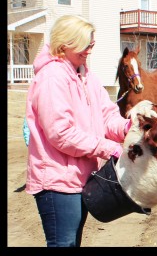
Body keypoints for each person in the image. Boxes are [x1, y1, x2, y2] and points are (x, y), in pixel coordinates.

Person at [25, 15, 131, 247]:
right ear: (65, 44)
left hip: (80, 179)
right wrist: (109, 148)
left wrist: (128, 128)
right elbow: (61, 133)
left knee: (72, 243)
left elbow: (107, 115)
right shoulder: (52, 78)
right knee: (63, 244)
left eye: (92, 45)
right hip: (56, 180)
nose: (89, 51)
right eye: (86, 45)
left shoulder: (87, 77)